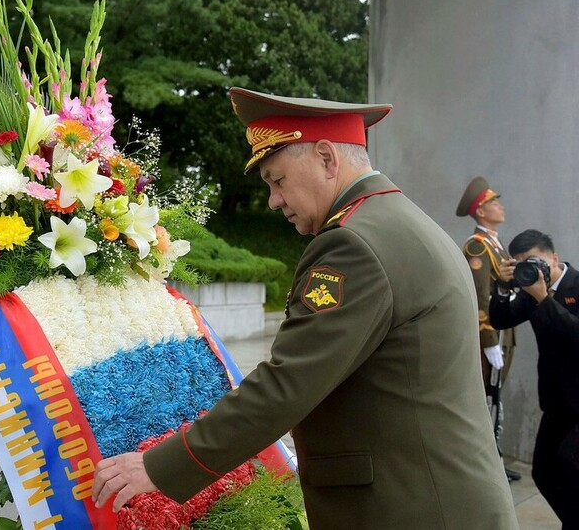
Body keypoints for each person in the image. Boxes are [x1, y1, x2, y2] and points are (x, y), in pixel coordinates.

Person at [92, 88, 518, 528]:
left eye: (278, 180)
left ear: (327, 158)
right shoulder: (401, 221)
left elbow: (287, 385)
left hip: (414, 507)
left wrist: (160, 466)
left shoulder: (353, 244)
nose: (274, 200)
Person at [490, 229, 579, 527]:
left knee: (569, 462)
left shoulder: (576, 286)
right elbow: (501, 319)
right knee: (542, 471)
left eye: (533, 261)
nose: (529, 269)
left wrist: (544, 299)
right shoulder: (531, 291)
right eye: (520, 264)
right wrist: (502, 287)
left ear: (553, 257)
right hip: (556, 400)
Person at [456, 176, 520, 481]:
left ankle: (493, 460)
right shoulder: (477, 247)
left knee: (494, 398)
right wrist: (489, 339)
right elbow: (480, 297)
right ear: (480, 211)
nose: (500, 207)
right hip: (489, 337)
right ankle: (481, 465)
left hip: (503, 332)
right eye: (494, 203)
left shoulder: (495, 243)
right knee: (482, 400)